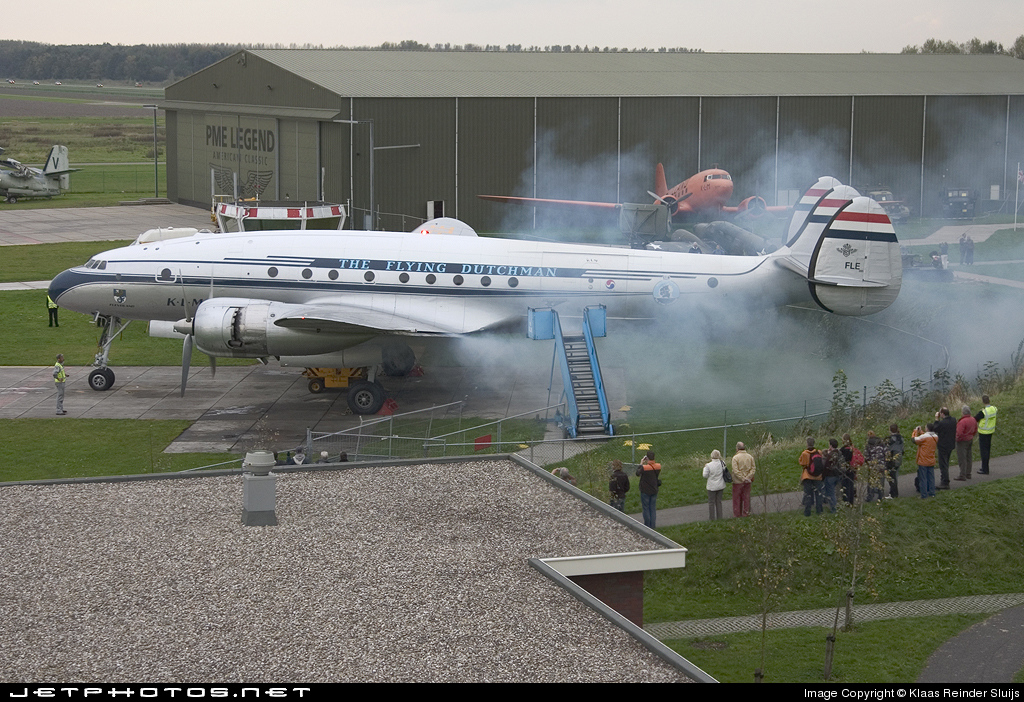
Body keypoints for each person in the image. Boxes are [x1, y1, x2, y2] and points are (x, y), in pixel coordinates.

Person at [799, 437, 824, 516]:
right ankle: (819, 511)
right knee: (818, 494)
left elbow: (801, 462)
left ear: (807, 444)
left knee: (808, 494)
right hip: (818, 476)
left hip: (807, 476)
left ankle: (807, 512)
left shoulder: (805, 453)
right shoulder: (819, 452)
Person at [912, 423, 938, 499]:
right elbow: (925, 437)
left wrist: (915, 431)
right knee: (931, 478)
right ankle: (932, 493)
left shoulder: (924, 437)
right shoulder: (935, 437)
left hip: (923, 460)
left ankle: (923, 495)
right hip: (931, 459)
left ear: (927, 429)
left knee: (923, 478)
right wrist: (921, 432)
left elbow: (914, 440)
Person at [636, 450, 662, 528]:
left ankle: (647, 526)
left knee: (646, 508)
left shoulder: (644, 468)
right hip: (654, 489)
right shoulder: (658, 466)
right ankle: (653, 525)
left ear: (646, 458)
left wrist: (641, 463)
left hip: (645, 490)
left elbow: (637, 473)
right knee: (652, 508)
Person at [730, 441, 756, 518]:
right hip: (748, 481)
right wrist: (748, 477)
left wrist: (742, 478)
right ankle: (746, 512)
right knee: (746, 497)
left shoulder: (735, 458)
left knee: (736, 498)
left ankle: (737, 514)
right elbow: (753, 468)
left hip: (737, 481)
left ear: (737, 448)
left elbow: (735, 470)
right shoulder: (750, 457)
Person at [934, 407, 956, 490]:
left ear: (942, 414)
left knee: (943, 464)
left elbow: (935, 428)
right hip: (951, 444)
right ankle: (944, 479)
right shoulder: (953, 420)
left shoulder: (942, 423)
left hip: (943, 446)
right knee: (946, 462)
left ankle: (945, 482)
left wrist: (936, 419)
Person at [974, 395, 997, 475]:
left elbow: (975, 419)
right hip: (990, 432)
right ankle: (985, 467)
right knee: (987, 450)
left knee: (984, 452)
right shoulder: (994, 409)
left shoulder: (983, 412)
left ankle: (985, 469)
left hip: (983, 433)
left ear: (983, 402)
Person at [955, 405, 978, 481]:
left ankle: (962, 474)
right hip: (970, 439)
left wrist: (957, 439)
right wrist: (971, 435)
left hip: (962, 441)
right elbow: (975, 429)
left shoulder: (962, 421)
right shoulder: (973, 419)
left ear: (963, 413)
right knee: (969, 457)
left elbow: (959, 433)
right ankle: (968, 473)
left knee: (962, 458)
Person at [822, 438, 845, 513]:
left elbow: (827, 466)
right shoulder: (840, 453)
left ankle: (833, 508)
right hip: (838, 475)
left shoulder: (830, 455)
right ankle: (839, 505)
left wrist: (823, 476)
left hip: (830, 476)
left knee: (831, 492)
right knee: (837, 491)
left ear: (831, 445)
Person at [703, 450, 727, 521]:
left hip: (711, 486)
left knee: (711, 502)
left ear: (711, 456)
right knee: (718, 502)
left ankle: (712, 518)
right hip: (720, 485)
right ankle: (720, 517)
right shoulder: (722, 463)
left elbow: (705, 475)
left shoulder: (708, 465)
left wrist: (705, 467)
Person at [864, 432, 887, 503]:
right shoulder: (882, 443)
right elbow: (886, 453)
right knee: (881, 481)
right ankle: (880, 496)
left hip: (872, 466)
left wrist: (868, 463)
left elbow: (866, 456)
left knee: (871, 482)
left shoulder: (868, 445)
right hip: (881, 465)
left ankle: (870, 496)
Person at [885, 424, 904, 499]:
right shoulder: (901, 438)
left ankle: (893, 493)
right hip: (899, 458)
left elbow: (887, 450)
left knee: (891, 477)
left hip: (892, 459)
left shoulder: (889, 440)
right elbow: (902, 449)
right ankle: (894, 492)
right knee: (895, 475)